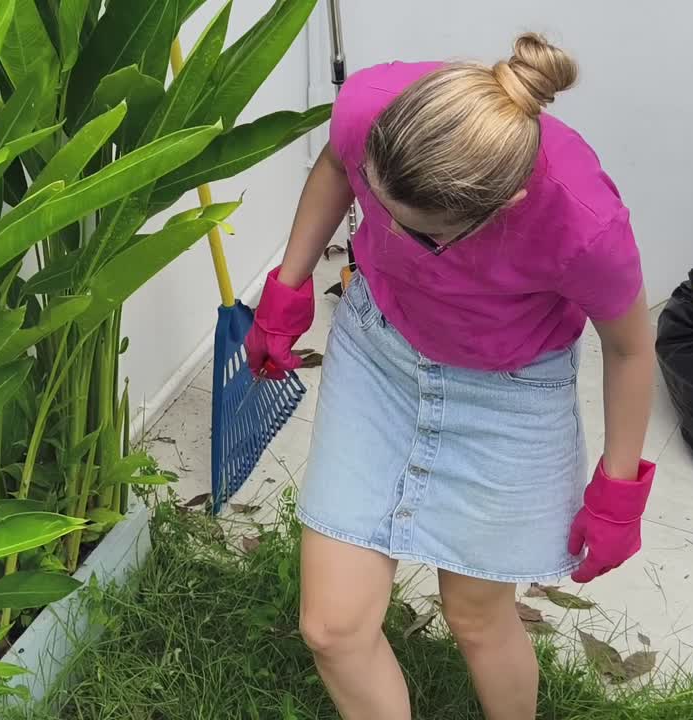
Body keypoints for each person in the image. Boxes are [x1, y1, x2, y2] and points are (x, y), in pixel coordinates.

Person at [243, 33, 656, 719]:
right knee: (333, 626)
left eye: (423, 234)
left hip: (509, 391)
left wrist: (618, 491)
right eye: (382, 211)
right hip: (380, 355)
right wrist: (287, 288)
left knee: (475, 617)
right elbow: (333, 169)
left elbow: (631, 349)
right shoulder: (370, 107)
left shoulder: (581, 222)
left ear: (506, 204)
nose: (392, 239)